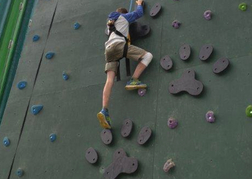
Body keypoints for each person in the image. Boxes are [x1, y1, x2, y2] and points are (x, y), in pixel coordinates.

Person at [97, 0, 153, 129]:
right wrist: (139, 3)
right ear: (123, 14)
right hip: (119, 46)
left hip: (108, 50)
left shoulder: (109, 24)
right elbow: (139, 13)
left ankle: (104, 110)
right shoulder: (124, 17)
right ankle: (133, 80)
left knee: (109, 80)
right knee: (148, 56)